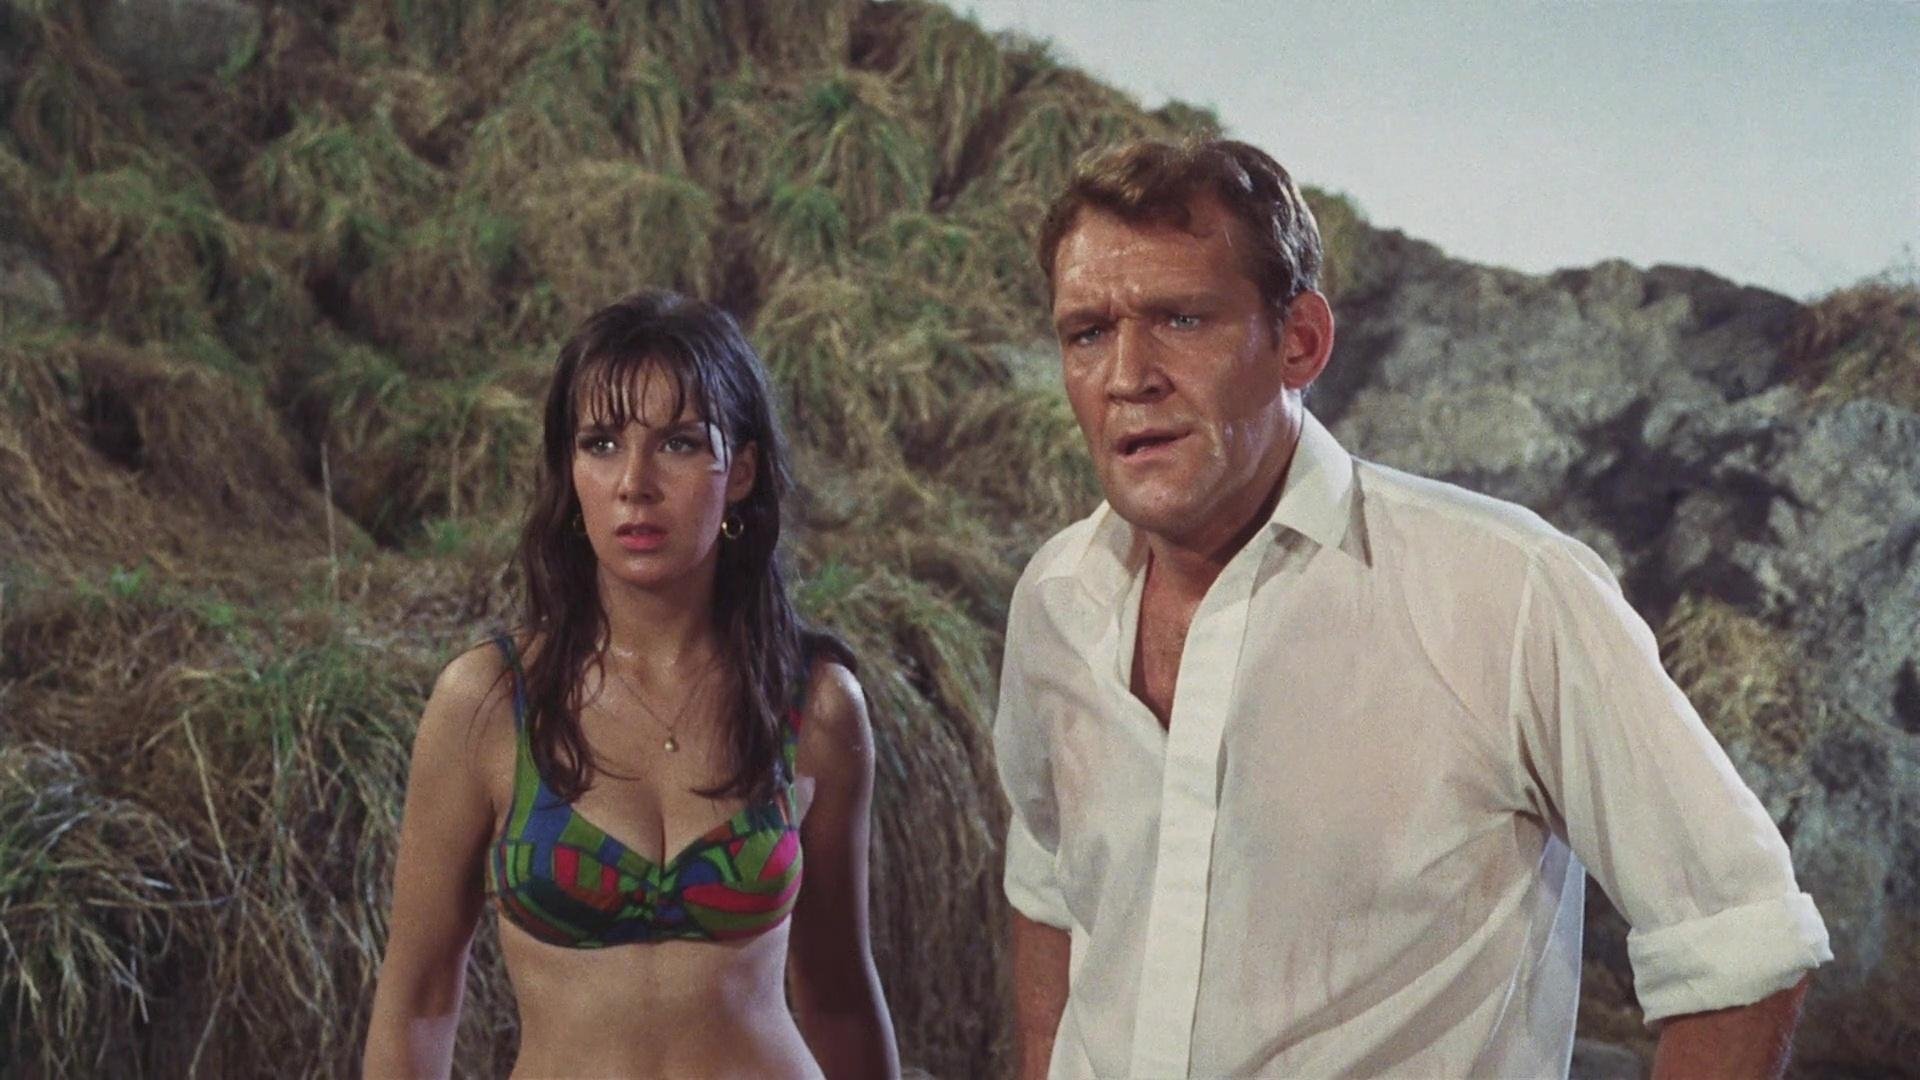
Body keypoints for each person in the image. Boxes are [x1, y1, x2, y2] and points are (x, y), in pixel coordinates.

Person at [993, 139, 1831, 1079]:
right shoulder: (1056, 599)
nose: (1127, 375)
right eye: (1087, 333)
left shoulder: (1510, 591)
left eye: (1182, 319)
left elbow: (1744, 945)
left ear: (1300, 341)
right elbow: (1051, 886)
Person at [364, 289, 900, 1079]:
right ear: (569, 470)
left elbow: (840, 997)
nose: (634, 483)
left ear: (742, 471)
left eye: (679, 443)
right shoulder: (488, 703)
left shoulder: (815, 706)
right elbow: (419, 998)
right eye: (602, 443)